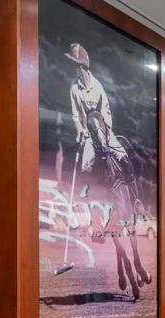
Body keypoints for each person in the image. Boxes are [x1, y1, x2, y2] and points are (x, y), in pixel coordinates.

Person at [65, 43, 152, 296]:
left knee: (123, 156)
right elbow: (76, 116)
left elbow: (106, 112)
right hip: (89, 136)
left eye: (76, 65)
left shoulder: (98, 86)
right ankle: (95, 224)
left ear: (83, 66)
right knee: (86, 167)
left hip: (105, 131)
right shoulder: (74, 88)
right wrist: (82, 133)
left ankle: (136, 201)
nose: (75, 69)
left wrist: (104, 131)